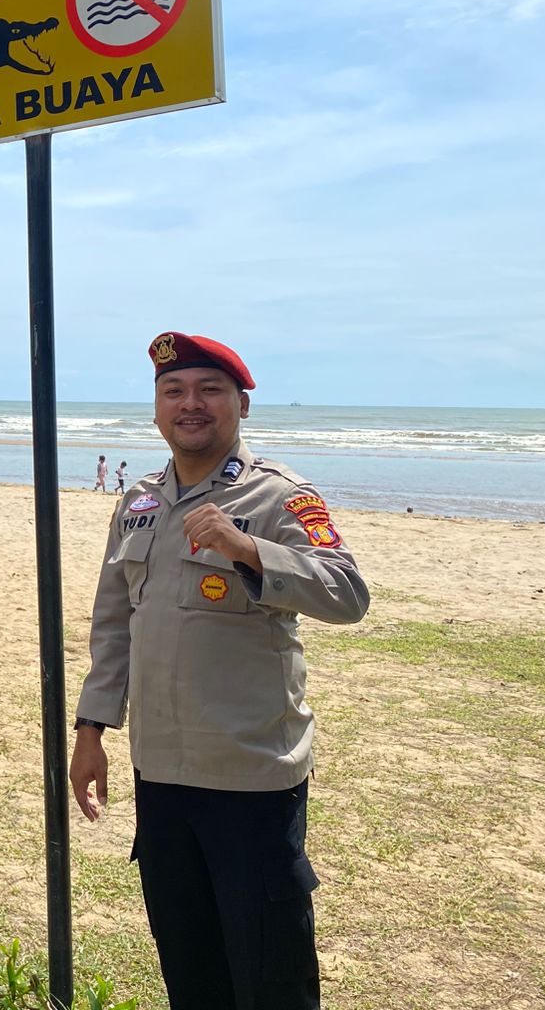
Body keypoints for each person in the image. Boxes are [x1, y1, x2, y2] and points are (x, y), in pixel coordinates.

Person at [69, 332, 369, 1010]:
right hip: (161, 772)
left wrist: (249, 549)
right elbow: (113, 625)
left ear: (242, 405)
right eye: (173, 391)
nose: (190, 404)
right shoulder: (139, 502)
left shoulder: (279, 496)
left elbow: (348, 594)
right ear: (156, 408)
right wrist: (91, 730)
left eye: (210, 390)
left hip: (250, 775)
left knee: (271, 974)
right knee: (189, 964)